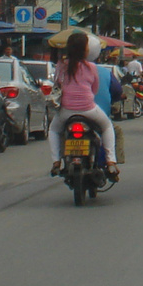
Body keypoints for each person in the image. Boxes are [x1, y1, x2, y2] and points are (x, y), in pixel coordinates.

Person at [49, 31, 118, 179]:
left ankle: (56, 162)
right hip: (89, 109)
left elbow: (57, 85)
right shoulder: (91, 67)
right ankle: (111, 161)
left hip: (66, 111)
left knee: (54, 130)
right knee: (107, 127)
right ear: (85, 49)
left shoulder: (61, 66)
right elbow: (95, 88)